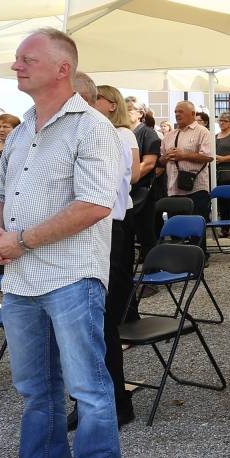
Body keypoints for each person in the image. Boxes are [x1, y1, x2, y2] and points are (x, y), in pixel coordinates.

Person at [0, 29, 124, 458]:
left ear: (62, 69)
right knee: (35, 388)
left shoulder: (91, 127)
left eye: (26, 59)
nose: (16, 66)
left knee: (88, 388)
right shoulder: (20, 131)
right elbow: (0, 192)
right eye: (17, 59)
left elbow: (95, 204)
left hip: (69, 276)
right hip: (21, 277)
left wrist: (21, 241)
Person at [89, 85, 142, 428]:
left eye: (93, 99)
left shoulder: (118, 134)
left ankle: (115, 401)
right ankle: (95, 399)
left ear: (109, 104)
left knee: (101, 318)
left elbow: (123, 178)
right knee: (91, 321)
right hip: (95, 229)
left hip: (109, 227)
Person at [162, 101, 215, 221]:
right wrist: (167, 156)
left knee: (196, 232)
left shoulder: (203, 132)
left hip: (196, 189)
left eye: (181, 111)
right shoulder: (169, 135)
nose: (177, 114)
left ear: (192, 114)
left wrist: (184, 155)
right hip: (173, 188)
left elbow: (209, 157)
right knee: (176, 232)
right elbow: (160, 162)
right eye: (175, 111)